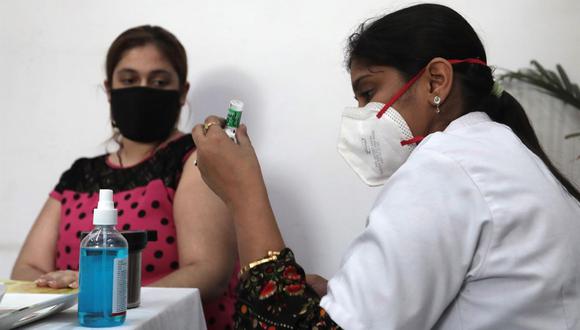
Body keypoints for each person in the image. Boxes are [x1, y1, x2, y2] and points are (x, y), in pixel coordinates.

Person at [191, 4, 580, 329]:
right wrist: (348, 297)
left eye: (368, 92)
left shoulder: (445, 169)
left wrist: (243, 194)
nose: (362, 115)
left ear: (436, 81)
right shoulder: (499, 153)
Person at [11, 25, 238, 329]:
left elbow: (209, 272)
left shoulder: (195, 158)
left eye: (159, 81)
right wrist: (61, 289)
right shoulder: (80, 174)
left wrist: (102, 294)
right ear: (109, 89)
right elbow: (26, 268)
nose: (143, 90)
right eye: (129, 80)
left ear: (182, 93)